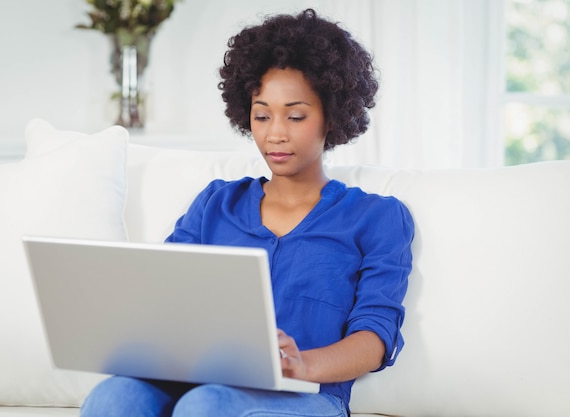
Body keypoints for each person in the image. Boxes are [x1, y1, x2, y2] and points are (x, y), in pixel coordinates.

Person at [80, 8, 414, 417]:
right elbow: (162, 296)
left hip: (307, 397)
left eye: (295, 115)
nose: (275, 132)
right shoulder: (216, 205)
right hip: (199, 383)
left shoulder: (377, 217)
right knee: (115, 396)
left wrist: (300, 364)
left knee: (208, 405)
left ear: (332, 114)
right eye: (261, 115)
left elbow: (375, 338)